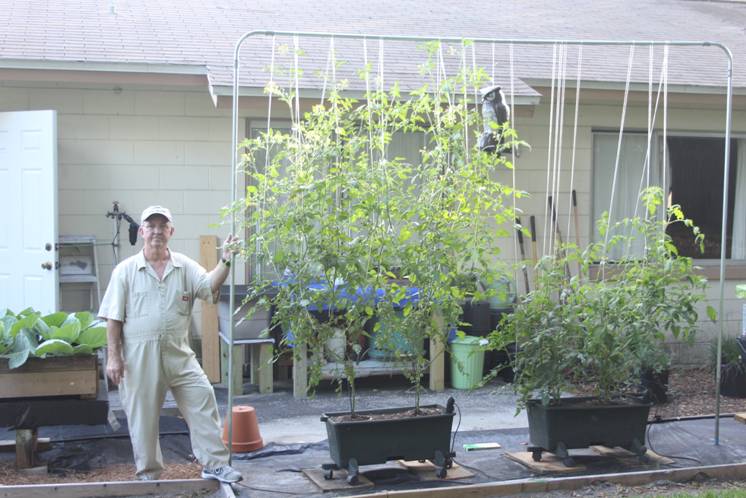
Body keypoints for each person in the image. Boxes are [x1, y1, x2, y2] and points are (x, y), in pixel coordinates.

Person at [98, 205, 242, 483]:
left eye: (162, 226)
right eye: (150, 226)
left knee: (202, 397)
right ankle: (149, 474)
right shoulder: (125, 271)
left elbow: (208, 285)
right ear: (141, 232)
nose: (156, 231)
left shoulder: (184, 266)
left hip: (179, 353)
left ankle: (214, 464)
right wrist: (113, 358)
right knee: (143, 417)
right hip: (139, 356)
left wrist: (225, 260)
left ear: (171, 231)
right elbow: (113, 319)